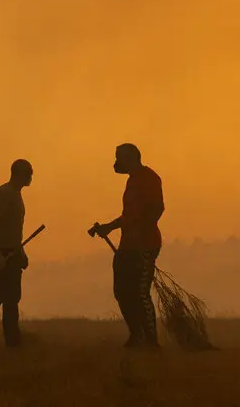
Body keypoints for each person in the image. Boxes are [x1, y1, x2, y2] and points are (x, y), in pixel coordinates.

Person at [88, 142, 164, 348]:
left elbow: (157, 209)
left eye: (118, 157)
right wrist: (109, 227)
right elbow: (128, 216)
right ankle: (136, 334)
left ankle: (151, 341)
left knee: (140, 292)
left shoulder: (149, 178)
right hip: (128, 245)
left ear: (131, 158)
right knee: (122, 291)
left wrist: (141, 231)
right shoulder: (132, 181)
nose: (115, 162)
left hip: (145, 245)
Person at [0, 158, 33, 349]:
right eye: (29, 173)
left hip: (12, 251)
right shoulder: (5, 193)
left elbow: (14, 230)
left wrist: (21, 252)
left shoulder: (16, 194)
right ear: (19, 174)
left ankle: (12, 340)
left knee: (12, 298)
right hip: (0, 252)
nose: (31, 177)